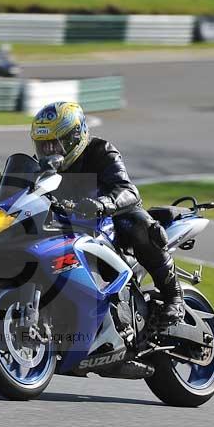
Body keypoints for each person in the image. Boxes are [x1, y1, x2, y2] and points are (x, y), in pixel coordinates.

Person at [30, 101, 184, 325]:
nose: (49, 152)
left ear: (75, 136)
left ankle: (174, 298)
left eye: (56, 144)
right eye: (44, 146)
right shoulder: (41, 167)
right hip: (68, 227)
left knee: (139, 225)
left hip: (109, 224)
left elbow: (128, 190)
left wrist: (103, 204)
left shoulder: (101, 151)